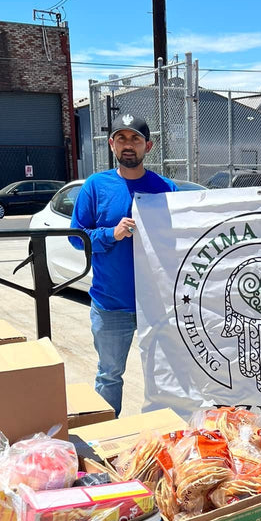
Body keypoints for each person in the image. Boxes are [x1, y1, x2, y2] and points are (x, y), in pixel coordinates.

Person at [70, 113, 177, 416]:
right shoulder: (95, 186)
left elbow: (181, 238)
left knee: (165, 377)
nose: (128, 145)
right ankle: (109, 434)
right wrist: (111, 234)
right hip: (110, 304)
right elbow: (76, 237)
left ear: (148, 146)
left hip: (156, 306)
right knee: (109, 375)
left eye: (135, 139)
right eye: (121, 138)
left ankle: (160, 434)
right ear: (111, 144)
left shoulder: (165, 187)